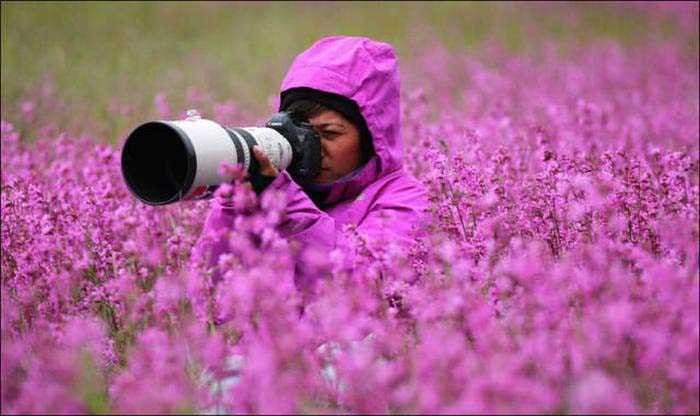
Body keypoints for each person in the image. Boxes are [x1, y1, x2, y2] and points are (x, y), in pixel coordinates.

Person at [195, 35, 427, 293]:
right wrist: (233, 207)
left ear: (372, 137)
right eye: (301, 133)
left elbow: (362, 284)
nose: (312, 149)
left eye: (329, 134)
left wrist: (286, 203)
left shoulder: (405, 200)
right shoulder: (275, 189)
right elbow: (211, 300)